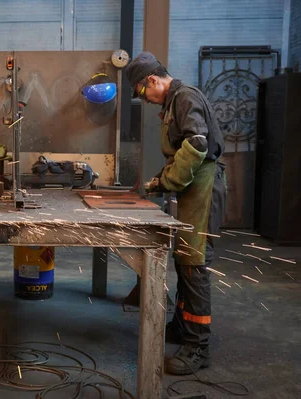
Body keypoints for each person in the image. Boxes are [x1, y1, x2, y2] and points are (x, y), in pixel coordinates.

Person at [125, 52, 226, 375]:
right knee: (184, 258)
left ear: (152, 80)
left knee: (194, 264)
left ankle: (198, 347)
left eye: (143, 93)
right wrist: (161, 181)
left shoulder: (184, 96)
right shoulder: (173, 103)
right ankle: (183, 326)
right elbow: (182, 149)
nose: (147, 99)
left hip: (203, 187)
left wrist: (167, 181)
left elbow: (196, 144)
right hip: (192, 188)